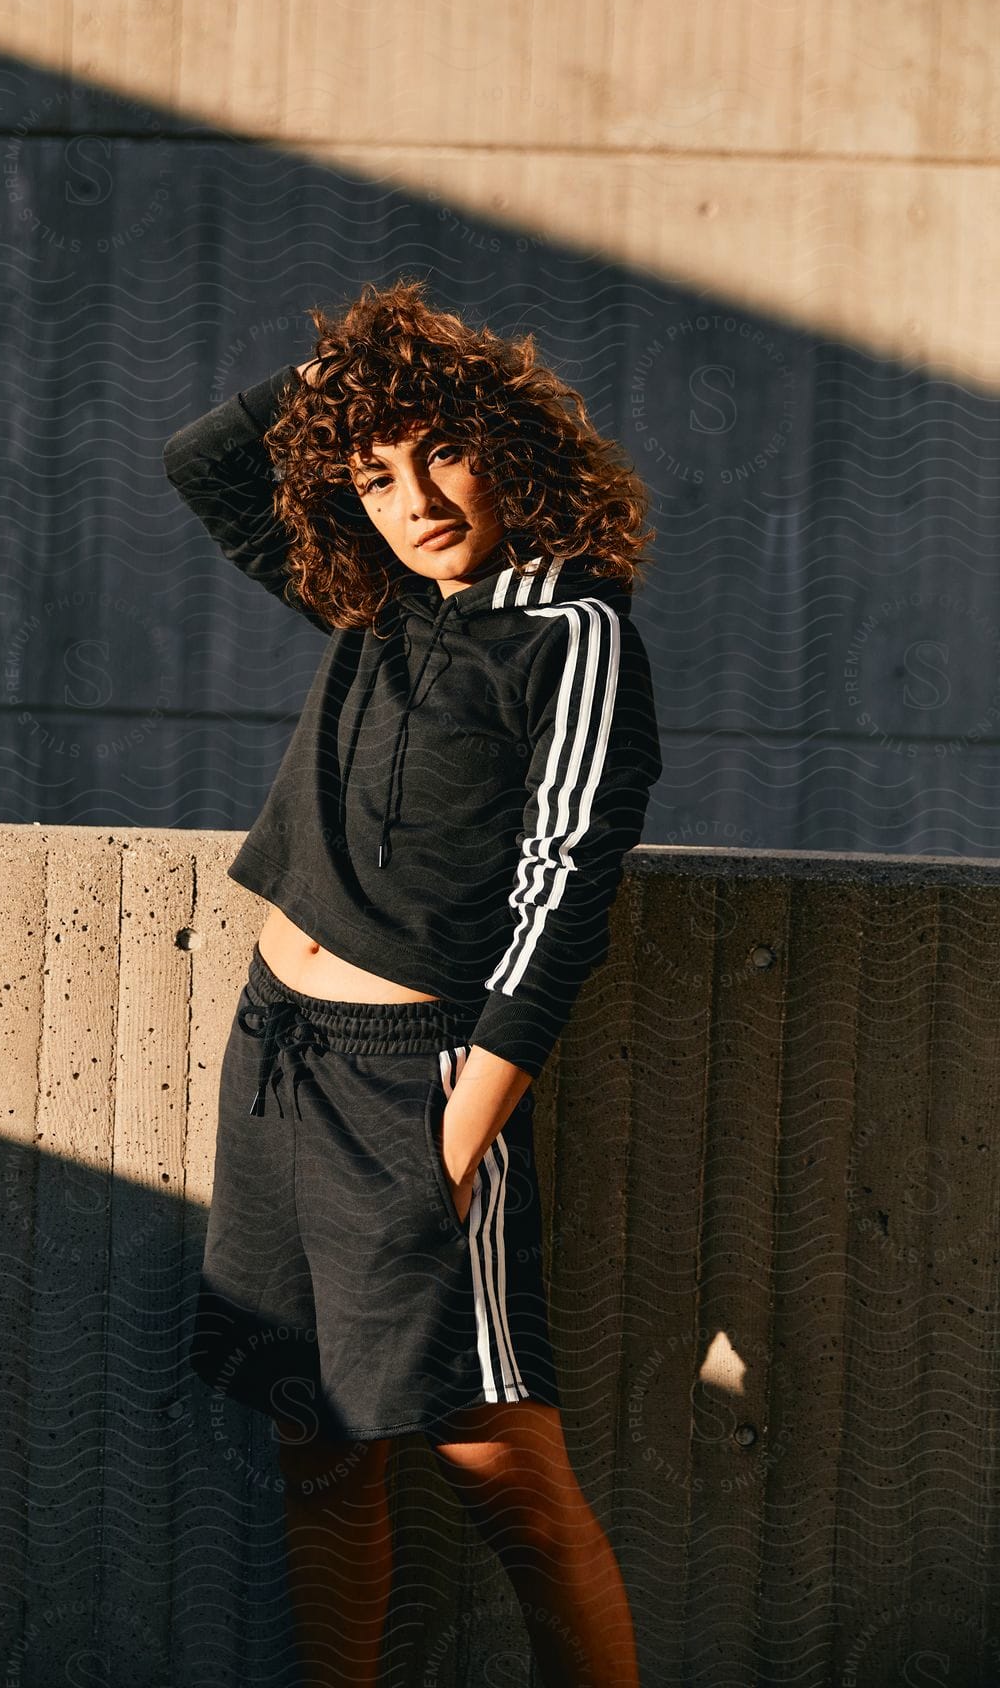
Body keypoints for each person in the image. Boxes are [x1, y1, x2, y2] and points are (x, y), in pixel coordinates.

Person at [162, 276, 662, 1688]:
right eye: (375, 477)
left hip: (415, 1085)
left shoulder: (574, 634)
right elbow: (207, 459)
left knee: (497, 1461)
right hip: (275, 1058)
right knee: (315, 1445)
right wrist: (353, 382)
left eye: (440, 450)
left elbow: (561, 904)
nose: (417, 497)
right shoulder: (365, 598)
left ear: (507, 448)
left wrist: (455, 1139)